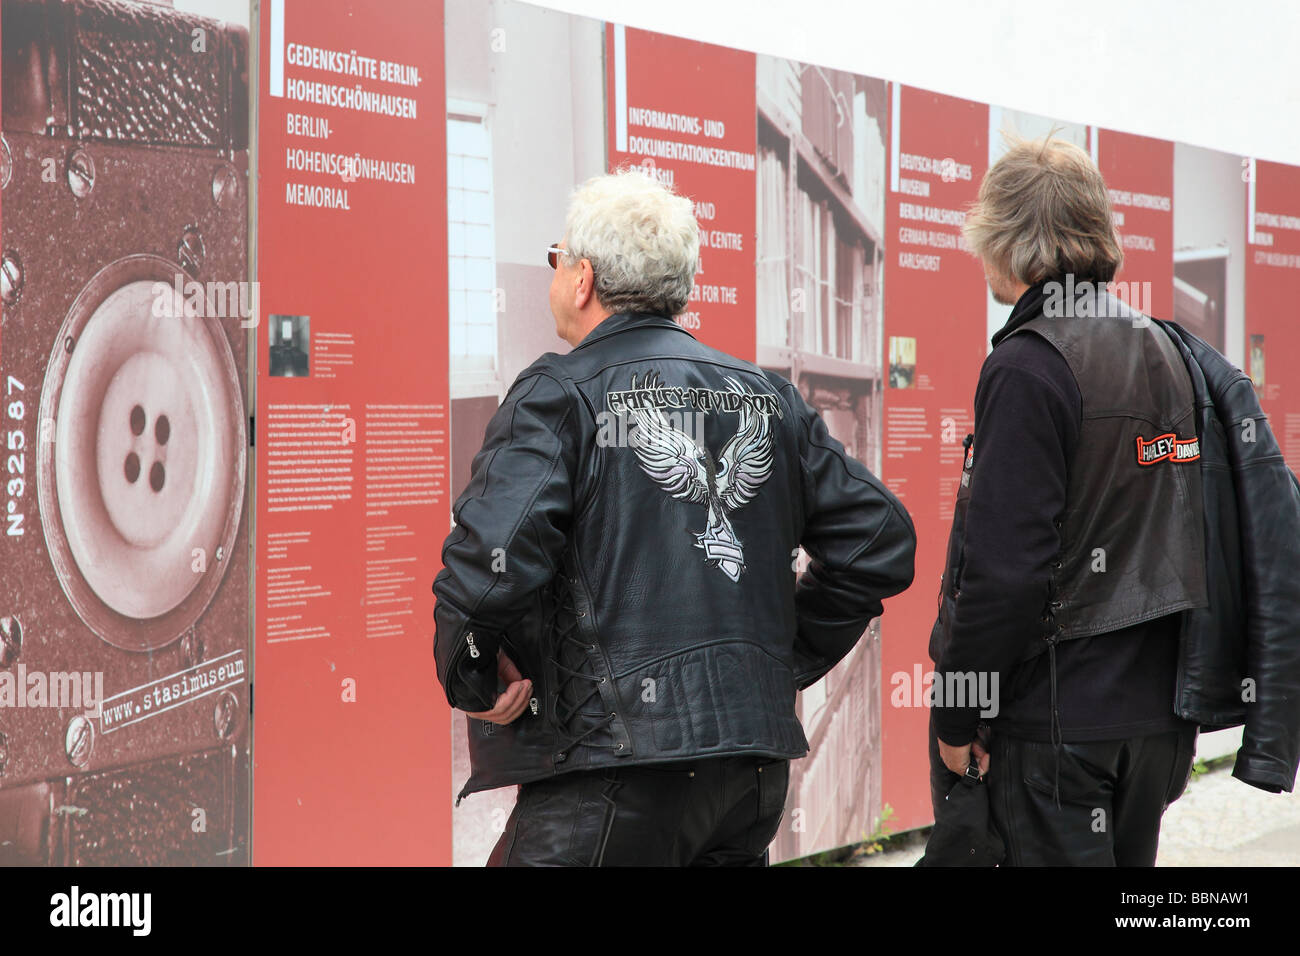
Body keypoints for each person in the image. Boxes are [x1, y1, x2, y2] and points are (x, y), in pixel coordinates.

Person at [433, 169, 916, 866]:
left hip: (609, 775)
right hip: (748, 778)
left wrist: (471, 673)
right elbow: (880, 542)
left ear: (582, 278)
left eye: (555, 259)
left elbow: (490, 560)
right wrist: (771, 661)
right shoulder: (767, 397)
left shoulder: (559, 393)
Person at [927, 135, 1205, 866]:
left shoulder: (1028, 365)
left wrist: (958, 716)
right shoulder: (1167, 349)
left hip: (1056, 727)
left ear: (1004, 239)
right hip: (1155, 725)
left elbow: (1006, 572)